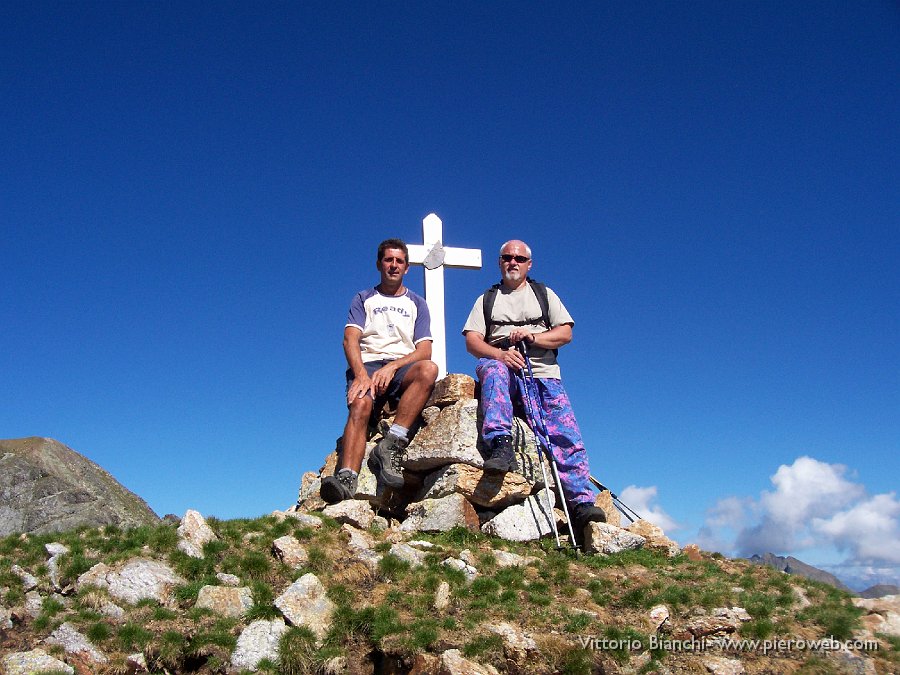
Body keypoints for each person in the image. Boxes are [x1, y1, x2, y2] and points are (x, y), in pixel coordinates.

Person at [462, 239, 606, 533]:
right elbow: (473, 341)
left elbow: (565, 333)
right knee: (493, 371)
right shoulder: (486, 300)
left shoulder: (544, 294)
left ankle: (580, 501)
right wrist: (500, 354)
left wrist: (533, 338)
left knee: (563, 431)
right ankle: (500, 446)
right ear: (499, 262)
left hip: (542, 371)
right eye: (507, 257)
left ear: (529, 264)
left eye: (519, 258)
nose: (512, 262)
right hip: (503, 364)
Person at [320, 239, 439, 504]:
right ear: (379, 264)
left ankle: (391, 444)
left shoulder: (417, 304)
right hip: (368, 364)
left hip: (401, 366)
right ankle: (346, 479)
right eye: (388, 260)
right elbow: (350, 339)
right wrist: (361, 375)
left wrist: (393, 366)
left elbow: (425, 351)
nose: (393, 265)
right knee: (361, 404)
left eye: (399, 261)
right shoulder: (364, 298)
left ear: (407, 267)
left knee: (429, 370)